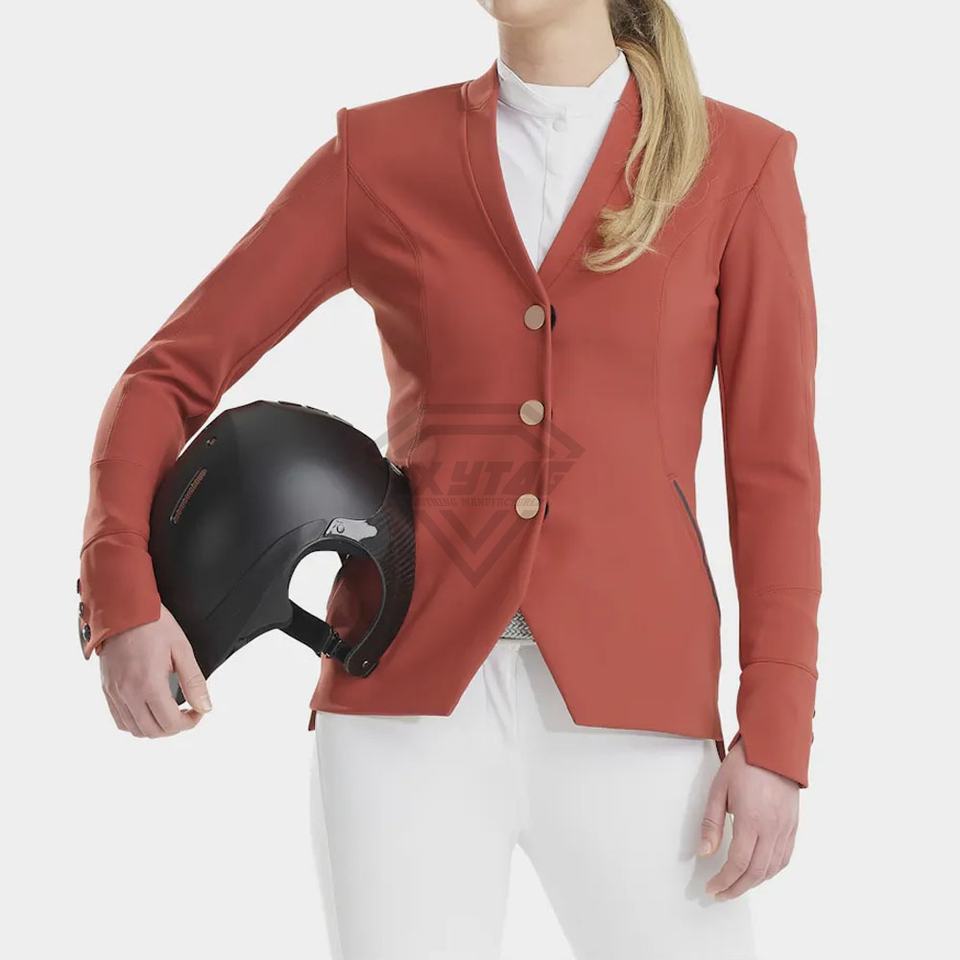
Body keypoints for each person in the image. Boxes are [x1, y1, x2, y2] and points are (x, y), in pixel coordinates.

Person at [78, 1, 821, 957]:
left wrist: (777, 734)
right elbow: (168, 373)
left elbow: (775, 477)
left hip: (643, 715)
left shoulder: (739, 165)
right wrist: (121, 595)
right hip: (400, 708)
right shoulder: (380, 155)